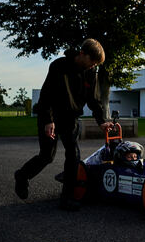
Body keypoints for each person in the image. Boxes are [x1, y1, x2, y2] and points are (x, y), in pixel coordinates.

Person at [14, 38, 113, 211]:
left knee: (73, 155)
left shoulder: (91, 72)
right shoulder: (59, 66)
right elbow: (46, 96)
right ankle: (22, 176)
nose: (94, 65)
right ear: (82, 54)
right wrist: (48, 120)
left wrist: (102, 121)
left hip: (70, 118)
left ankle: (67, 198)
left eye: (96, 63)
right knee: (47, 156)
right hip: (51, 115)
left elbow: (93, 100)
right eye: (92, 61)